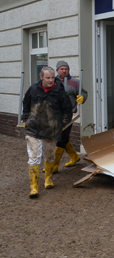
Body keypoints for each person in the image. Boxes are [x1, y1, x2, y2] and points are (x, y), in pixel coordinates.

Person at [21, 66, 73, 198]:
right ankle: (34, 186)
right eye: (47, 78)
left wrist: (63, 125)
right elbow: (26, 104)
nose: (50, 80)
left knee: (49, 155)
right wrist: (25, 118)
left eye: (52, 77)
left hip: (51, 129)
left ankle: (48, 178)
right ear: (41, 78)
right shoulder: (33, 89)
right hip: (33, 128)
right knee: (34, 156)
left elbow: (68, 110)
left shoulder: (59, 92)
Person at [54, 60, 88, 171]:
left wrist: (82, 97)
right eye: (61, 69)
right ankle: (74, 156)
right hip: (53, 114)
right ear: (57, 70)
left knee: (61, 138)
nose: (64, 70)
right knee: (60, 137)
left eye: (66, 69)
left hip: (69, 115)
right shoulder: (51, 81)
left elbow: (84, 92)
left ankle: (53, 166)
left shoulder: (75, 82)